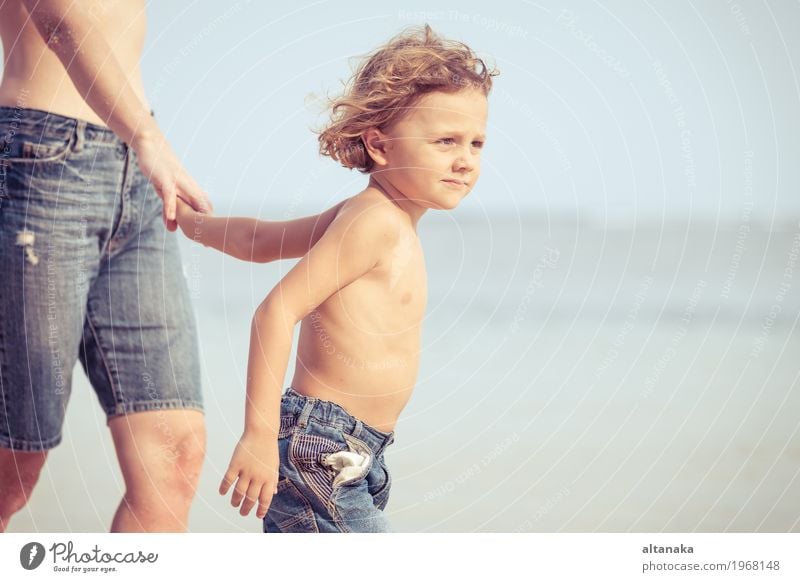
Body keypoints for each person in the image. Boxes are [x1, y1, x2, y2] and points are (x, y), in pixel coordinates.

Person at [175, 24, 497, 532]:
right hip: (325, 448)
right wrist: (257, 435)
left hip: (350, 450)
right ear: (380, 146)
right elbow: (276, 311)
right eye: (445, 141)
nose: (465, 160)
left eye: (476, 142)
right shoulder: (376, 223)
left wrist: (185, 221)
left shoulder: (367, 215)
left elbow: (260, 242)